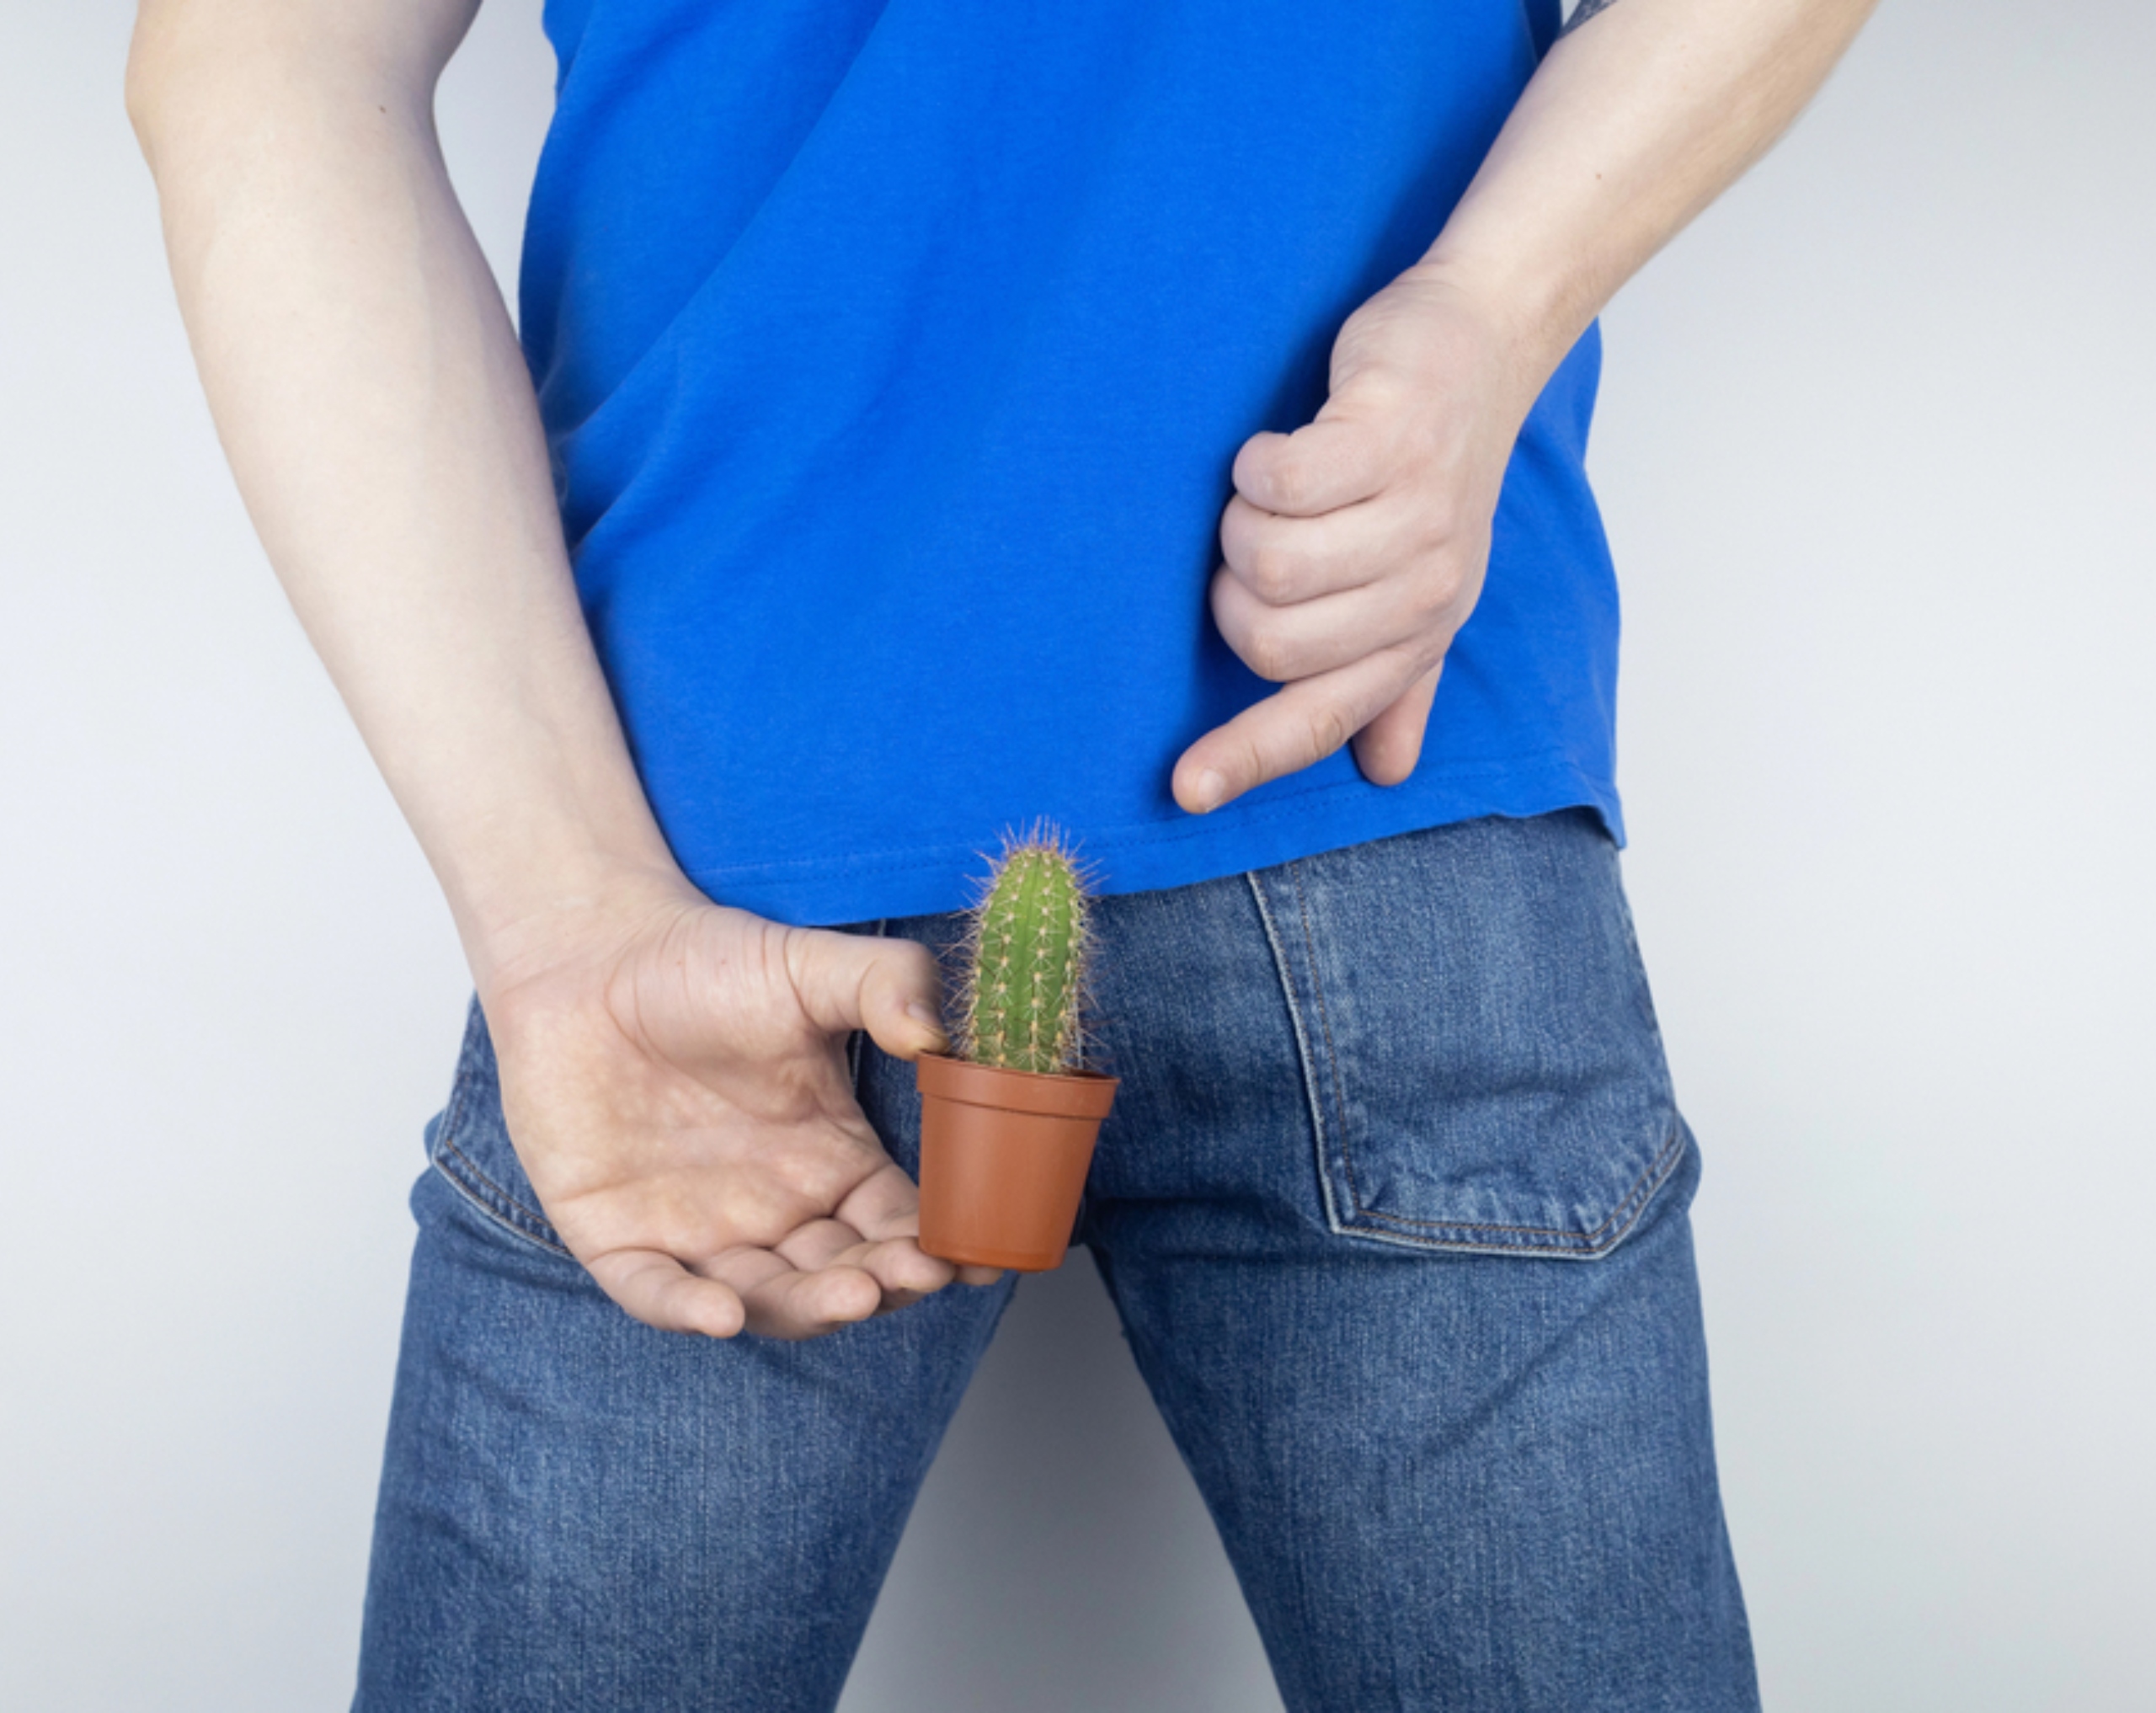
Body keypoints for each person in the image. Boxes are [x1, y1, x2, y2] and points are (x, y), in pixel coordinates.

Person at [127, 0, 1875, 1705]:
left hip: (728, 851)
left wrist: (560, 906)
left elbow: (260, 52)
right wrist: (1483, 315)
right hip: (1273, 807)